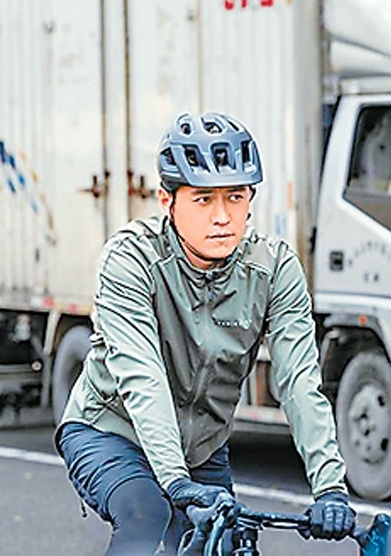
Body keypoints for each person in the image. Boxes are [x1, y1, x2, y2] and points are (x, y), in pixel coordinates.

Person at [54, 112, 356, 555]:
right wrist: (176, 483)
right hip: (111, 431)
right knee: (148, 518)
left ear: (250, 199)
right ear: (167, 200)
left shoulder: (274, 269)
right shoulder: (131, 260)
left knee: (222, 545)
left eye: (235, 197)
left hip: (201, 449)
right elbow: (142, 376)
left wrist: (330, 488)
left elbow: (299, 383)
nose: (222, 217)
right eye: (202, 199)